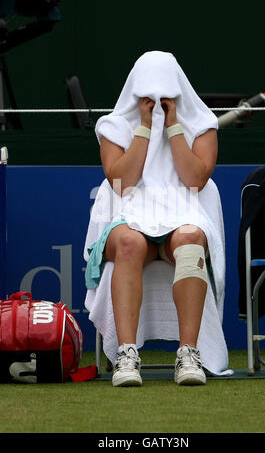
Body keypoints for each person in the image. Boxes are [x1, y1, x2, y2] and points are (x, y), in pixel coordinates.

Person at [84, 51, 230, 387]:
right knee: (130, 242)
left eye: (166, 96)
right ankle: (126, 354)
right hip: (130, 216)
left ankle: (189, 353)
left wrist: (174, 125)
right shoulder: (114, 126)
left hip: (183, 218)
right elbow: (123, 181)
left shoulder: (202, 125)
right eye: (147, 96)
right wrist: (146, 127)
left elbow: (195, 179)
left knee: (191, 238)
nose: (157, 102)